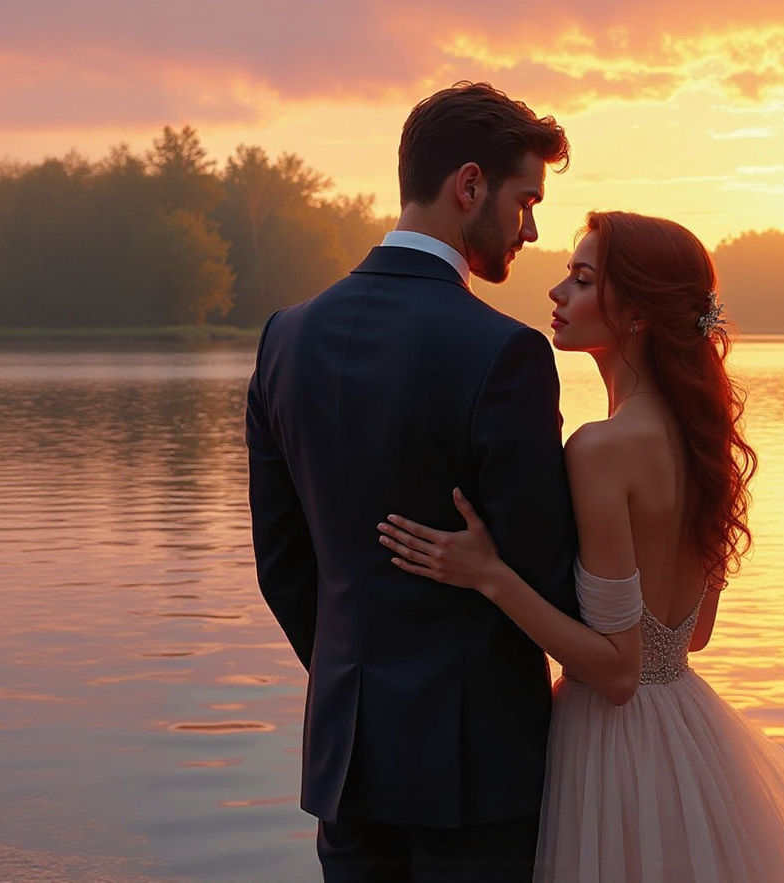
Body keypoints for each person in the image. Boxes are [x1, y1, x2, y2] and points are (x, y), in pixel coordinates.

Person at [377, 211, 784, 881]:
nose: (557, 292)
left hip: (613, 749)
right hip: (688, 735)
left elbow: (619, 673)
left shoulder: (602, 448)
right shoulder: (704, 443)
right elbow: (694, 634)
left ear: (637, 315)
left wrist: (489, 574)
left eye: (582, 279)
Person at [245, 82, 579, 881]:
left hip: (348, 767)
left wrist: (356, 685)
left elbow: (282, 565)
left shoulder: (286, 338)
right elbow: (547, 576)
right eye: (526, 201)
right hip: (478, 776)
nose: (532, 229)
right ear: (469, 185)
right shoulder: (505, 353)